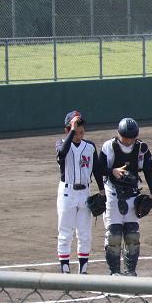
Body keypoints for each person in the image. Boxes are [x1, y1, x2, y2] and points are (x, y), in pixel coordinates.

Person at [99, 118, 152, 277]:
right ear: (119, 134)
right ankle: (115, 272)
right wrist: (112, 171)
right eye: (126, 138)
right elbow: (99, 168)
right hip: (113, 194)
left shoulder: (141, 148)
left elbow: (147, 170)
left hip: (132, 195)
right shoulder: (109, 146)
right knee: (114, 236)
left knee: (132, 236)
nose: (129, 141)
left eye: (132, 138)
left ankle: (130, 271)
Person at [55, 110, 106, 275]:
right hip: (67, 193)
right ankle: (65, 271)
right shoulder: (61, 143)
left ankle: (83, 271)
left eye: (82, 131)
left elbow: (96, 169)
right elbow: (62, 153)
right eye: (77, 131)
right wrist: (72, 130)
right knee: (65, 233)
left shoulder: (89, 146)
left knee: (84, 234)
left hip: (84, 193)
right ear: (67, 130)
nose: (80, 134)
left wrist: (102, 190)